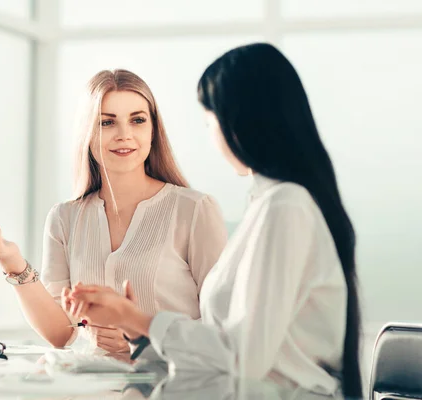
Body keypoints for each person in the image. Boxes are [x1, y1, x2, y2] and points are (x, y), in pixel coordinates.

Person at [63, 44, 363, 398]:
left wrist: (138, 320)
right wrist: (140, 333)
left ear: (240, 123)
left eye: (210, 122)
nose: (212, 136)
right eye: (106, 122)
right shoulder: (269, 204)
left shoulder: (286, 207)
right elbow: (226, 355)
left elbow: (241, 357)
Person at [0, 69, 227, 353]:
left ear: (153, 130)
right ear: (88, 132)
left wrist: (145, 341)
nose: (124, 135)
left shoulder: (195, 210)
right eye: (107, 123)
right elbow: (61, 334)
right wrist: (12, 262)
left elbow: (223, 327)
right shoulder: (64, 218)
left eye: (137, 120)